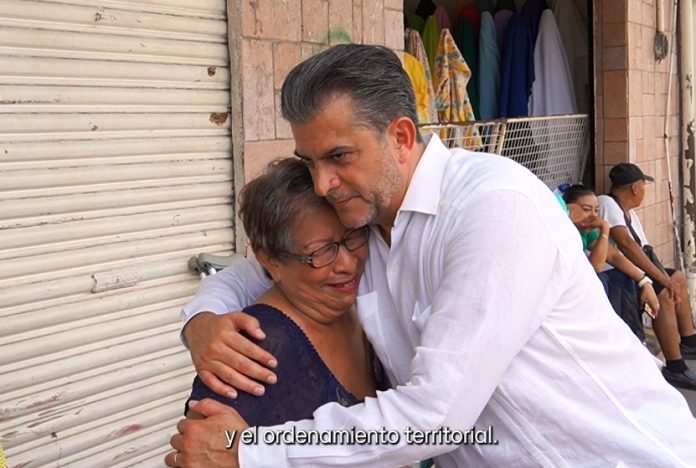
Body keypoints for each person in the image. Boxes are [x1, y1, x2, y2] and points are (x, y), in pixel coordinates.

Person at [167, 44, 696, 468]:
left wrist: (253, 452)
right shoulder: (363, 222)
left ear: (400, 136)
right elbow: (261, 267)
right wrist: (203, 321)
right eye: (310, 162)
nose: (323, 183)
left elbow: (435, 416)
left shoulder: (491, 208)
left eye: (339, 157)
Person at [184, 158, 387, 427]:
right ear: (271, 261)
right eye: (321, 251)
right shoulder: (256, 349)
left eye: (353, 236)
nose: (348, 264)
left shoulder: (357, 302)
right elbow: (199, 443)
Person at [598, 163, 696, 390]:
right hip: (617, 274)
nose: (644, 191)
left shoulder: (630, 213)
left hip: (633, 271)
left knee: (678, 279)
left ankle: (689, 341)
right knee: (664, 294)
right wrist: (661, 280)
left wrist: (667, 278)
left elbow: (645, 251)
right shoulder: (607, 203)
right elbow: (627, 246)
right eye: (644, 185)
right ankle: (675, 367)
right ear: (635, 187)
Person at [562, 184, 660, 336]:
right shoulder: (563, 229)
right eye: (586, 209)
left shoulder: (585, 231)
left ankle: (632, 337)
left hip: (581, 284)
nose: (593, 216)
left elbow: (613, 256)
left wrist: (644, 281)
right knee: (602, 281)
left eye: (596, 211)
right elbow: (596, 267)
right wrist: (605, 229)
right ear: (568, 209)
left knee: (623, 278)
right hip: (566, 289)